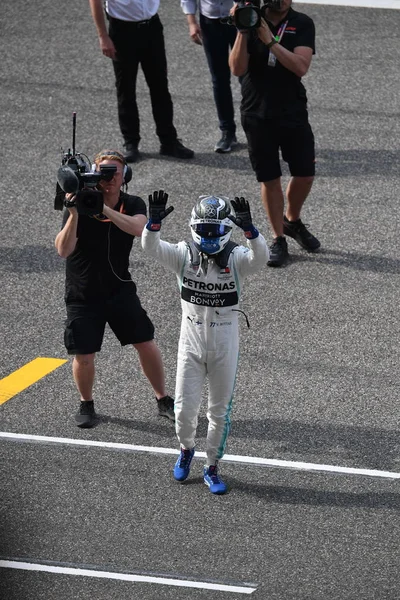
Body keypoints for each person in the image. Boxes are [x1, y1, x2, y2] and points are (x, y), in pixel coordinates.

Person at [141, 191, 268, 494]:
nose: (210, 236)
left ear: (228, 229)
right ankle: (186, 449)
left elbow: (261, 257)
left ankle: (212, 465)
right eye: (204, 230)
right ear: (193, 227)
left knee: (219, 411)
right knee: (184, 409)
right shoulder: (183, 254)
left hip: (225, 342)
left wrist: (252, 232)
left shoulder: (237, 257)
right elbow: (150, 247)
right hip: (191, 339)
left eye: (216, 231)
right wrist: (153, 223)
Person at [54, 149, 175, 428]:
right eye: (102, 173)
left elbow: (138, 228)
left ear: (124, 176)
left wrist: (102, 208)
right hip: (82, 293)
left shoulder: (132, 203)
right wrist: (75, 214)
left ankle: (163, 398)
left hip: (119, 289)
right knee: (83, 354)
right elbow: (63, 250)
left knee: (145, 342)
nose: (108, 179)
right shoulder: (80, 205)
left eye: (114, 173)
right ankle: (86, 404)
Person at [229, 0, 320, 267]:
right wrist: (242, 30)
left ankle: (292, 219)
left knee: (305, 174)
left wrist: (270, 41)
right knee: (270, 178)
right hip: (256, 113)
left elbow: (300, 67)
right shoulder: (250, 19)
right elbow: (236, 68)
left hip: (292, 110)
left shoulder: (301, 23)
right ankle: (278, 237)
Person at [88, 0, 194, 163]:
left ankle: (168, 141)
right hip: (122, 30)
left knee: (160, 87)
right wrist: (103, 36)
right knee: (126, 89)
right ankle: (131, 143)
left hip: (152, 27)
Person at [181, 0, 238, 153]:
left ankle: (256, 129)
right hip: (210, 23)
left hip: (239, 19)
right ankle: (227, 131)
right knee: (219, 79)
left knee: (247, 76)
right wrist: (192, 23)